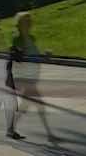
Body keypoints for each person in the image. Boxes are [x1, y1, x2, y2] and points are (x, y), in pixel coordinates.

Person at [5, 11, 56, 143]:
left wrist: (45, 56)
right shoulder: (17, 39)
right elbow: (18, 57)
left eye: (29, 22)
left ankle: (10, 129)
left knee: (27, 105)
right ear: (20, 24)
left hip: (31, 76)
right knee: (39, 105)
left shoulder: (32, 38)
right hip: (22, 77)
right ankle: (49, 135)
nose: (29, 24)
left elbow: (34, 56)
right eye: (26, 22)